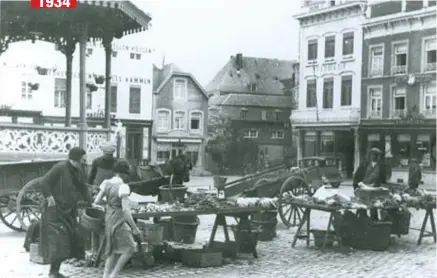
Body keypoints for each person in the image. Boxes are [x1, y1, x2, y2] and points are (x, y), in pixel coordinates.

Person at [40, 147, 93, 278]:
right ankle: (53, 273)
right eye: (83, 160)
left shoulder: (77, 170)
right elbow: (43, 183)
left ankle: (55, 272)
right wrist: (49, 198)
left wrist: (91, 203)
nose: (85, 162)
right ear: (75, 159)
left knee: (67, 242)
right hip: (55, 211)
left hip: (68, 211)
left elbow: (82, 187)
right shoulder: (60, 168)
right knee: (58, 242)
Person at [93, 160, 141, 278]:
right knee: (130, 248)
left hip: (109, 217)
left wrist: (110, 204)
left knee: (112, 248)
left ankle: (105, 276)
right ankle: (113, 275)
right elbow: (125, 210)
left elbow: (97, 201)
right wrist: (134, 228)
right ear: (124, 174)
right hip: (119, 219)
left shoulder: (106, 182)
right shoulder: (123, 186)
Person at [353, 147, 387, 220]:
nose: (375, 156)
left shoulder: (382, 166)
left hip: (375, 189)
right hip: (363, 188)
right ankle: (361, 218)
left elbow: (383, 179)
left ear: (379, 156)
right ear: (370, 155)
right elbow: (357, 176)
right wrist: (356, 185)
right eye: (373, 155)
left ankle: (374, 219)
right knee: (362, 205)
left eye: (377, 155)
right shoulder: (364, 164)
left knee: (374, 205)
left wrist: (381, 187)